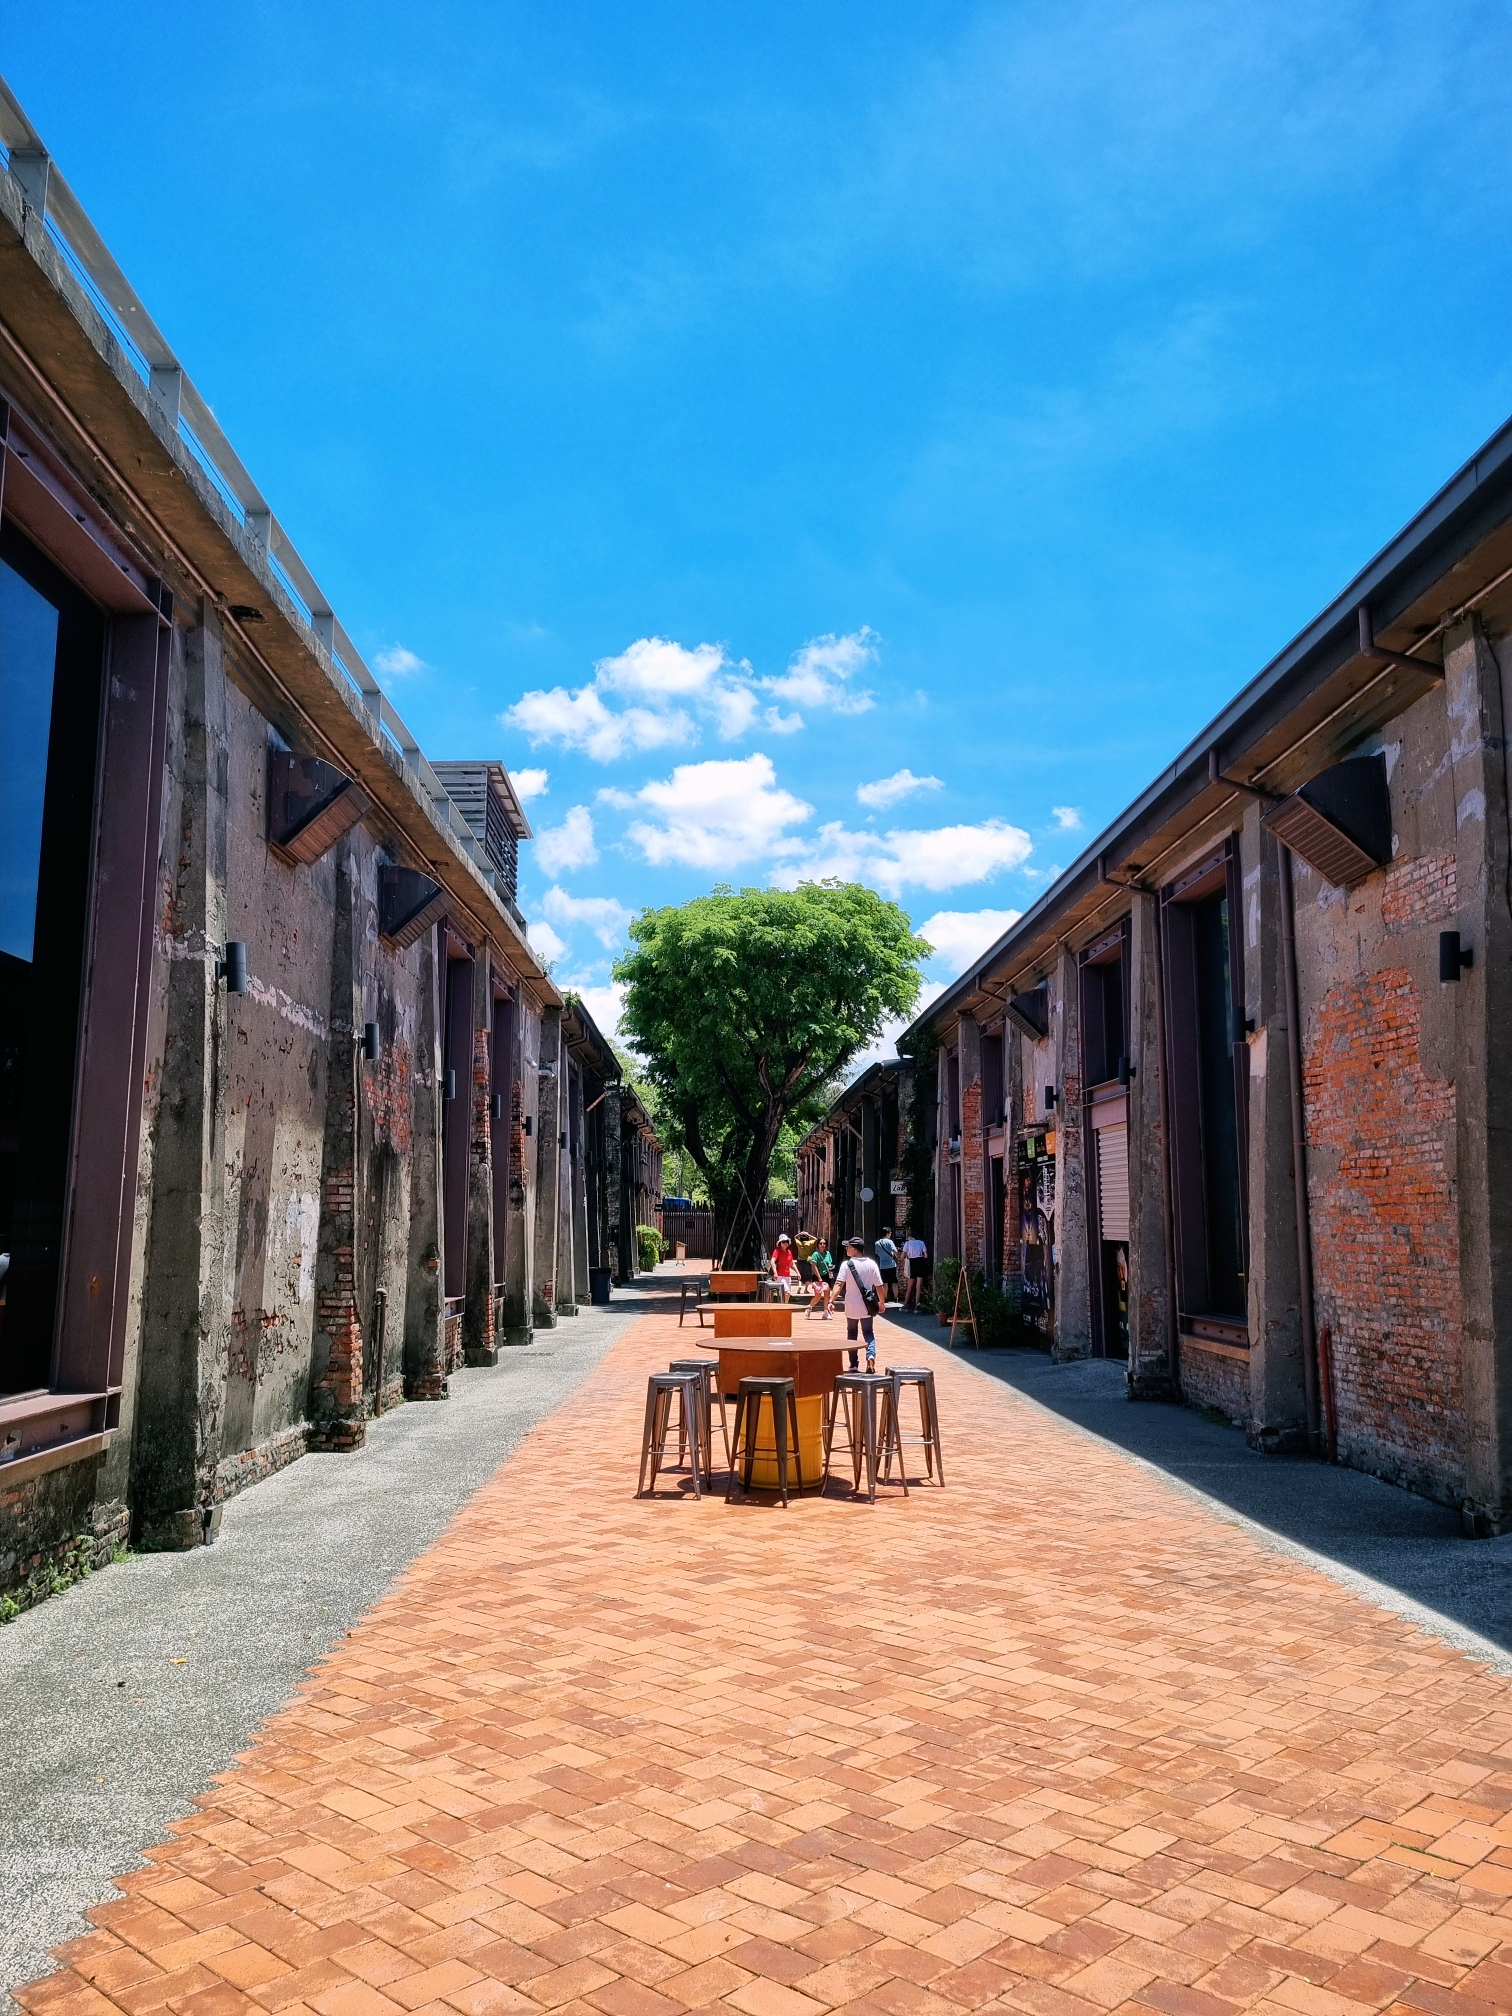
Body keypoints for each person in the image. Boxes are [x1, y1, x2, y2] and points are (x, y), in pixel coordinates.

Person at [826, 1234, 884, 1371]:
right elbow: (879, 1286)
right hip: (867, 1306)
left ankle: (853, 1364)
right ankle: (870, 1357)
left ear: (854, 1249)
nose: (846, 1249)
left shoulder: (846, 1265)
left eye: (848, 1247)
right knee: (868, 1333)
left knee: (852, 1334)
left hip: (851, 1305)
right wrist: (882, 1302)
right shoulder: (872, 1264)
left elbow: (839, 1285)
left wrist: (831, 1301)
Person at [901, 1230, 929, 1310]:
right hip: (920, 1263)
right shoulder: (921, 1242)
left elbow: (902, 1256)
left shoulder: (907, 1244)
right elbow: (926, 1256)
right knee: (918, 1287)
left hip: (912, 1264)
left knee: (909, 1287)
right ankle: (917, 1307)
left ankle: (904, 1306)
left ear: (909, 1237)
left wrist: (907, 1257)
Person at [874, 1227, 899, 1304]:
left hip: (882, 1265)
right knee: (894, 1282)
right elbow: (895, 1251)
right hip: (891, 1265)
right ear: (887, 1233)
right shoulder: (889, 1241)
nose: (890, 1234)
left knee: (885, 1283)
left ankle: (885, 1298)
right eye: (890, 1233)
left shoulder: (877, 1243)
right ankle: (895, 1298)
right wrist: (894, 1255)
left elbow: (877, 1253)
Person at [770, 1233, 795, 1301]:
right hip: (780, 1276)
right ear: (780, 1243)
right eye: (783, 1242)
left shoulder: (789, 1252)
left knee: (787, 1294)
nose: (785, 1243)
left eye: (786, 1242)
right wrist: (775, 1273)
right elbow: (772, 1261)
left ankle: (784, 1306)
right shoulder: (777, 1251)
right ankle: (783, 1306)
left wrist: (798, 1272)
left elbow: (791, 1263)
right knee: (787, 1292)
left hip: (788, 1276)